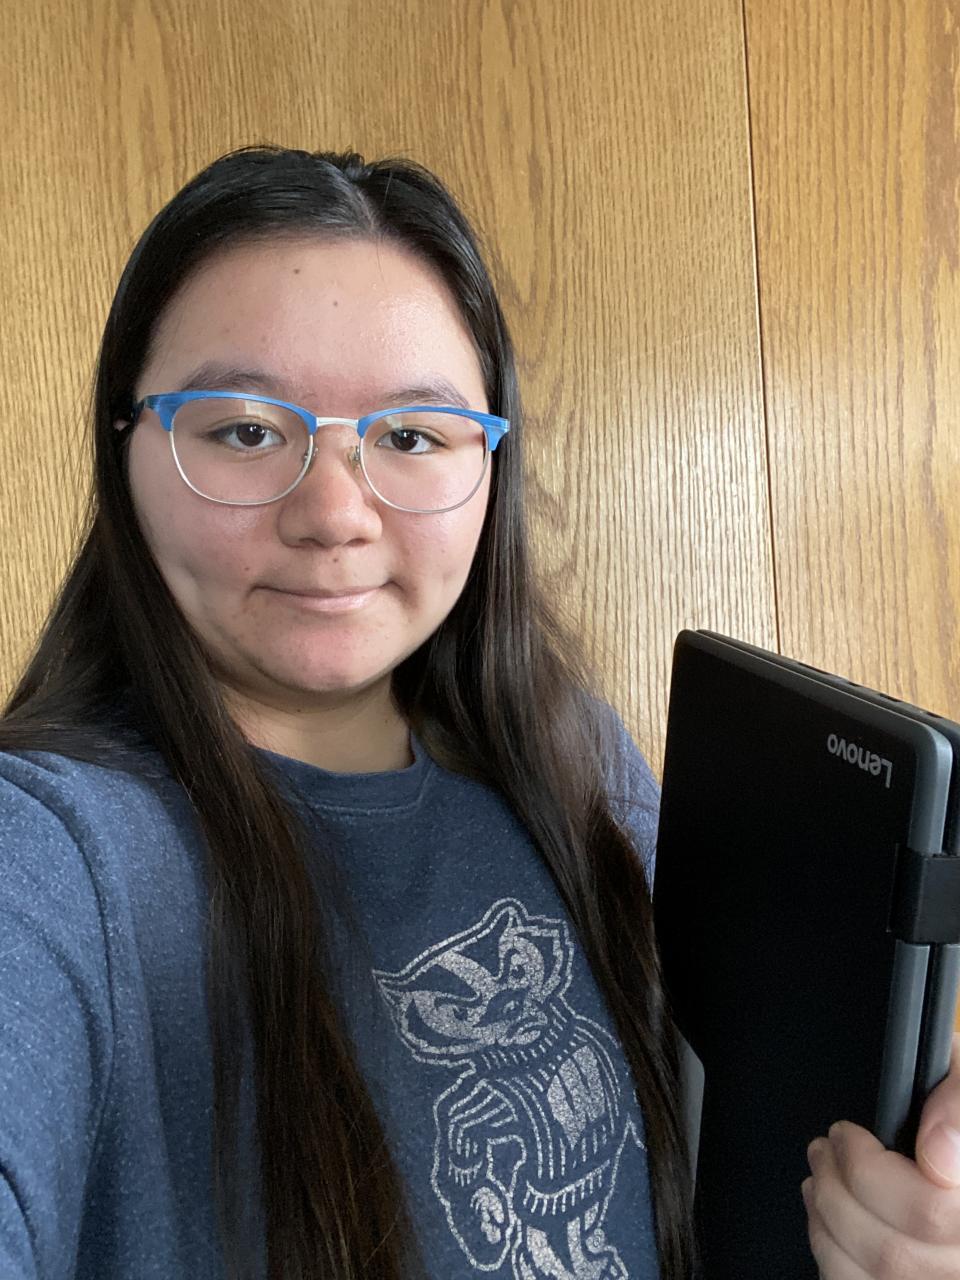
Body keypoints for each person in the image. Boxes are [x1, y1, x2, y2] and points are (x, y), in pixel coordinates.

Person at [0, 146, 958, 1280]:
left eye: (412, 435)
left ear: (491, 464)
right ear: (126, 444)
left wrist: (909, 1209)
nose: (335, 514)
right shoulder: (50, 854)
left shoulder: (572, 762)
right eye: (246, 429)